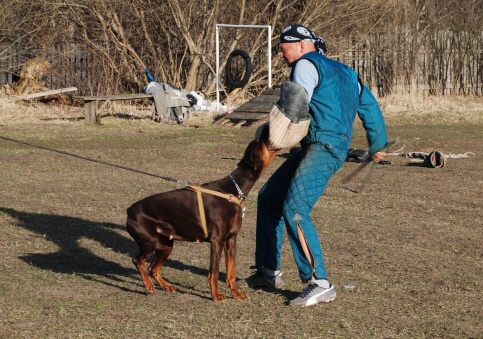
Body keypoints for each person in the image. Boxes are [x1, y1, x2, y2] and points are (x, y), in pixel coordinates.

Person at [238, 24, 389, 306]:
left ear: (302, 45)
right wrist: (378, 143)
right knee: (269, 198)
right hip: (319, 146)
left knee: (295, 209)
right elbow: (369, 106)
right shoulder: (348, 73)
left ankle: (320, 283)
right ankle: (268, 271)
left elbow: (295, 107)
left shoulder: (305, 64)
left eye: (284, 49)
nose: (282, 55)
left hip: (324, 147)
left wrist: (266, 132)